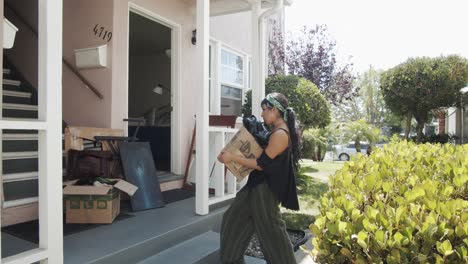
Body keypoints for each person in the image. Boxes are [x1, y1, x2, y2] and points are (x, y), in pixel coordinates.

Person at [217, 92, 300, 264]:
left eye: (264, 110)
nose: (262, 114)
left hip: (266, 190)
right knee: (233, 219)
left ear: (275, 110)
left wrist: (232, 158)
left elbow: (262, 164)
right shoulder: (276, 131)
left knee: (271, 232)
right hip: (256, 185)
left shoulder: (280, 134)